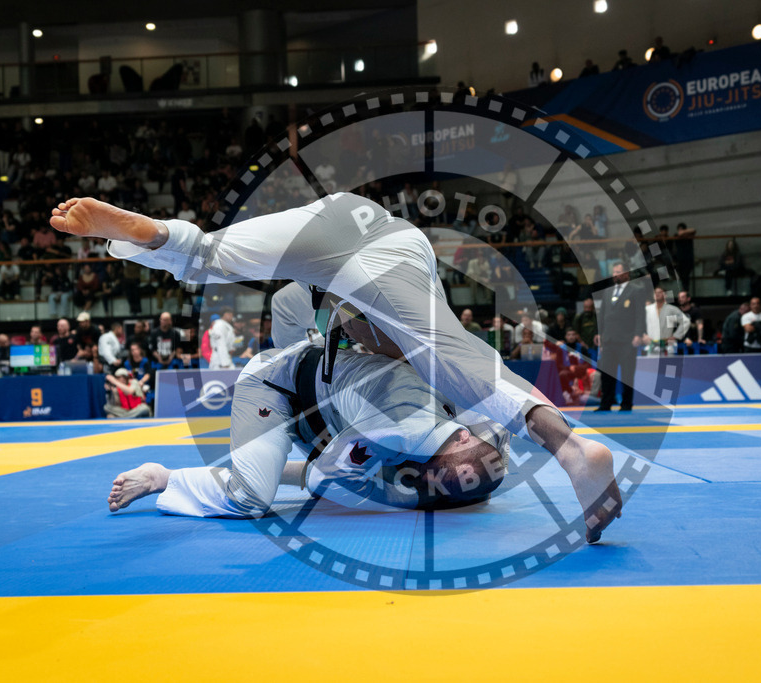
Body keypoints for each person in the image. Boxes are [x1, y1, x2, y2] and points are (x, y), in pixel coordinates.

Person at [52, 193, 622, 542]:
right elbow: (458, 368)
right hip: (375, 269)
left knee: (209, 256)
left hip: (345, 229)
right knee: (445, 359)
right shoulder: (415, 430)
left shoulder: (380, 449)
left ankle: (153, 235)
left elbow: (311, 450)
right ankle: (568, 448)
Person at [108, 340, 510, 517]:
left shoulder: (480, 423)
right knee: (252, 499)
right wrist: (397, 495)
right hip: (278, 385)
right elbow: (320, 481)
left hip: (336, 403)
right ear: (459, 436)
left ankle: (254, 466)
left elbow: (486, 448)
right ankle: (163, 477)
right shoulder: (396, 430)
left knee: (423, 484)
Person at [595, 262, 645, 411]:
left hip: (627, 340)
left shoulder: (636, 290)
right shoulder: (608, 292)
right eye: (614, 272)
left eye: (618, 272)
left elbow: (640, 315)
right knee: (606, 373)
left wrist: (638, 334)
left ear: (626, 274)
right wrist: (599, 332)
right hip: (609, 339)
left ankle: (626, 403)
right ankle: (606, 403)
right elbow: (602, 315)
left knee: (627, 374)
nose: (615, 275)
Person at [643, 286, 690, 355]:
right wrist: (643, 335)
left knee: (669, 364)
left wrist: (676, 336)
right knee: (651, 364)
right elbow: (638, 323)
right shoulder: (647, 309)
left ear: (665, 295)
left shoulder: (672, 309)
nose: (657, 294)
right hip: (651, 343)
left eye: (659, 292)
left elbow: (686, 321)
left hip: (668, 343)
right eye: (655, 292)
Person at [673, 222, 695, 292]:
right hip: (680, 260)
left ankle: (686, 291)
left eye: (682, 229)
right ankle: (684, 291)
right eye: (679, 229)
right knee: (682, 276)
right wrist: (681, 232)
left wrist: (684, 231)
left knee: (686, 275)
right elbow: (679, 234)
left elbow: (694, 230)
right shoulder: (676, 236)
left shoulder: (689, 236)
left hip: (688, 259)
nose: (680, 231)